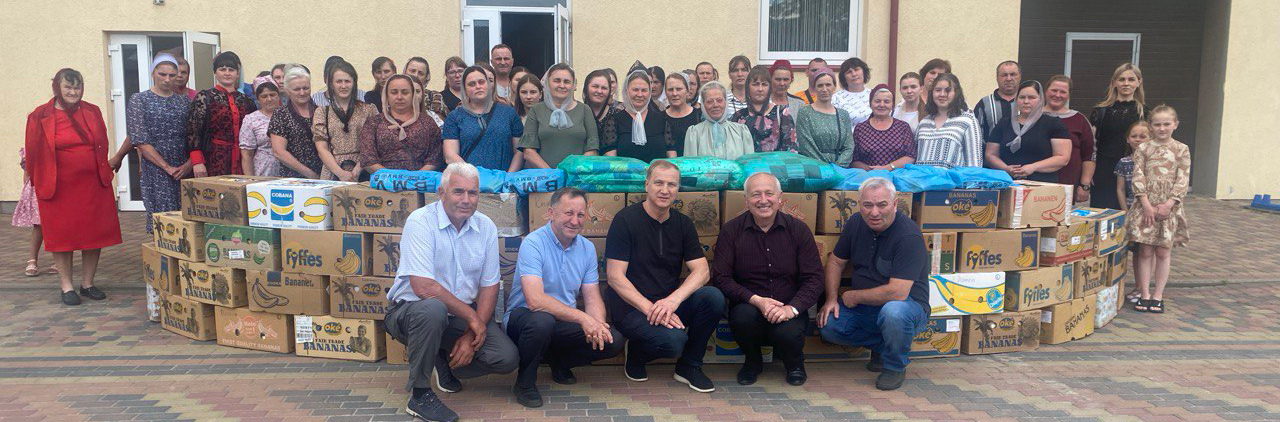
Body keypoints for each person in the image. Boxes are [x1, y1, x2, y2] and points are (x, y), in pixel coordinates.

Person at [383, 162, 519, 422]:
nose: (466, 200)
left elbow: (490, 285)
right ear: (441, 193)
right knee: (433, 309)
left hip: (456, 317)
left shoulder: (486, 226)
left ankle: (443, 358)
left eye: (473, 193)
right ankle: (420, 395)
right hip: (409, 312)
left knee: (506, 358)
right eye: (458, 192)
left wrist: (470, 333)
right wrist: (472, 317)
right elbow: (423, 287)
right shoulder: (421, 221)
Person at [605, 160, 725, 393]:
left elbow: (702, 271)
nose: (665, 190)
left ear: (678, 189)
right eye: (659, 183)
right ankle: (637, 353)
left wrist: (673, 301)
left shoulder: (683, 223)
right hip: (632, 308)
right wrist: (651, 310)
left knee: (713, 297)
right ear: (647, 184)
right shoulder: (625, 220)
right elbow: (614, 277)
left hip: (668, 304)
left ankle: (689, 366)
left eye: (671, 184)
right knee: (673, 342)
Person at [504, 187, 624, 408]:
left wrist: (596, 324)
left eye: (580, 215)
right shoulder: (533, 243)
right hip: (525, 319)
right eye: (568, 213)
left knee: (612, 340)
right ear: (551, 213)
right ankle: (525, 382)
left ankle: (560, 362)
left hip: (562, 321)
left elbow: (592, 297)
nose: (575, 221)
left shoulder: (587, 248)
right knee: (543, 320)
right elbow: (535, 300)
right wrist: (583, 319)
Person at [817, 177, 929, 391]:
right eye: (868, 205)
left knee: (894, 312)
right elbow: (835, 262)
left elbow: (898, 292)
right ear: (859, 204)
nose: (874, 212)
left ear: (895, 204)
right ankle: (885, 345)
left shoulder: (908, 236)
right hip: (867, 309)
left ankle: (895, 366)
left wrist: (854, 296)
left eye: (882, 205)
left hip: (908, 306)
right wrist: (831, 299)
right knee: (828, 324)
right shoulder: (856, 223)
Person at [712, 172, 822, 386]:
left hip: (788, 304)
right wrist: (756, 300)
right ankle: (753, 362)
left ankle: (795, 364)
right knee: (742, 317)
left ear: (780, 197)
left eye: (769, 194)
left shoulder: (799, 230)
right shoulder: (731, 231)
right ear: (746, 201)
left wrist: (791, 309)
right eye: (755, 195)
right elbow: (721, 277)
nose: (763, 200)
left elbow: (814, 278)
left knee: (788, 332)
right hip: (749, 304)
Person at [25, 68, 123, 305]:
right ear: (57, 88)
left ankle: (88, 283)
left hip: (92, 183)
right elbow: (33, 152)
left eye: (77, 87)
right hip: (58, 186)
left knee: (94, 233)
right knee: (62, 236)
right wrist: (34, 182)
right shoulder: (39, 115)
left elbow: (102, 142)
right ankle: (66, 286)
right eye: (68, 87)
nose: (73, 92)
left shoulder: (92, 110)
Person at [1128, 106, 1190, 315]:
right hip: (1146, 205)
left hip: (1168, 206)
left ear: (1175, 124)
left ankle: (1158, 295)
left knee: (1163, 250)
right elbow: (1138, 175)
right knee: (1145, 250)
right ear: (1151, 126)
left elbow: (1183, 178)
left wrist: (1170, 203)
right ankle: (1144, 293)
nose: (1162, 128)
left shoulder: (1182, 149)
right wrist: (1145, 204)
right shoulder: (1144, 148)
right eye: (1157, 124)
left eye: (1166, 124)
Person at [129, 54, 191, 232]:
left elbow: (193, 136)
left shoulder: (184, 101)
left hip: (182, 167)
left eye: (172, 75)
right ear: (153, 74)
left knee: (186, 219)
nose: (167, 79)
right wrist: (166, 167)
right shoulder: (139, 100)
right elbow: (140, 139)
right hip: (156, 168)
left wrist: (187, 165)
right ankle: (164, 259)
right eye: (162, 74)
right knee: (164, 220)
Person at [187, 51, 257, 177]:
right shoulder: (205, 97)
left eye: (231, 69)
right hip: (214, 157)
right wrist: (197, 161)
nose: (227, 73)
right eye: (222, 69)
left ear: (237, 74)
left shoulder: (247, 101)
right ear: (215, 73)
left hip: (244, 159)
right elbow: (194, 131)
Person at [985, 81, 1072, 183]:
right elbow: (991, 154)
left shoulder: (1053, 124)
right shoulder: (1004, 123)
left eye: (1031, 97)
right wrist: (1006, 168)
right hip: (1008, 183)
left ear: (1040, 99)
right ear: (1016, 100)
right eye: (1022, 97)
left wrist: (1033, 167)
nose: (1026, 101)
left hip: (1042, 185)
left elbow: (1062, 158)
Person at [1090, 63, 1150, 210]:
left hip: (1134, 171)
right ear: (1114, 82)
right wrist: (1088, 173)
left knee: (1131, 218)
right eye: (1121, 79)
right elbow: (1090, 146)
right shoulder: (1100, 111)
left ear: (1138, 82)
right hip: (1104, 171)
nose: (1126, 83)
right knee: (1103, 218)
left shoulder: (1146, 113)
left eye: (1131, 79)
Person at [443, 66, 524, 172]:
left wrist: (508, 178)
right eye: (471, 84)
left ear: (489, 85)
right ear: (465, 89)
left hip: (503, 182)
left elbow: (519, 151)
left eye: (481, 82)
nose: (478, 86)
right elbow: (451, 155)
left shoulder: (509, 113)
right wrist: (472, 177)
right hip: (469, 183)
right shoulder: (454, 117)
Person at [518, 64, 599, 168]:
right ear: (548, 83)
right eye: (557, 80)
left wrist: (572, 171)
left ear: (574, 85)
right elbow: (528, 151)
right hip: (544, 179)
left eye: (567, 81)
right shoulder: (536, 110)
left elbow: (593, 150)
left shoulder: (584, 110)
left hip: (575, 178)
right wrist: (552, 174)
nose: (562, 85)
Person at [359, 75, 444, 173]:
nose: (399, 97)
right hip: (383, 183)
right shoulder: (374, 123)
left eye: (405, 92)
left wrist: (414, 178)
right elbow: (368, 159)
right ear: (386, 95)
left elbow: (435, 157)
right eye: (394, 92)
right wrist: (393, 177)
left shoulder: (427, 122)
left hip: (419, 183)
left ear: (412, 94)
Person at [313, 61, 377, 181]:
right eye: (339, 81)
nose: (343, 86)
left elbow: (373, 145)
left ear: (354, 83)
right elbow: (322, 148)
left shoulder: (368, 110)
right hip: (333, 171)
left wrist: (357, 171)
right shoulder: (322, 112)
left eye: (347, 81)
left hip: (364, 169)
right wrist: (340, 173)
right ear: (331, 84)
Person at [1044, 75, 1097, 201]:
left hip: (1068, 184)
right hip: (1037, 184)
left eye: (1063, 92)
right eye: (1054, 90)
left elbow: (1089, 154)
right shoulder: (1032, 117)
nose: (1058, 95)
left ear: (1068, 95)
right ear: (1046, 91)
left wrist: (1085, 185)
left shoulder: (1079, 120)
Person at [914, 73, 982, 169]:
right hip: (921, 183)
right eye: (938, 90)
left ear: (956, 93)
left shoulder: (968, 121)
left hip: (954, 184)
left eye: (948, 90)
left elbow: (974, 164)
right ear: (932, 93)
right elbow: (915, 159)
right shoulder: (924, 123)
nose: (942, 94)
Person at [605, 69, 672, 162]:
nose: (640, 94)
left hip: (658, 175)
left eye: (644, 90)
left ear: (649, 92)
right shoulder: (615, 120)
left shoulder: (661, 118)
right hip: (625, 175)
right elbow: (611, 158)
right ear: (627, 91)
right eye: (635, 90)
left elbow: (671, 154)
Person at [269, 65, 323, 179]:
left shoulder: (320, 111)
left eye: (306, 88)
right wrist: (309, 174)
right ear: (288, 90)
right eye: (297, 89)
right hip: (293, 178)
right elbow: (279, 152)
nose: (302, 92)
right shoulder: (281, 114)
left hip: (323, 176)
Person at [732, 66, 798, 153]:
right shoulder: (738, 116)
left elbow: (791, 150)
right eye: (755, 84)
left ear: (770, 87)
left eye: (764, 84)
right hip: (745, 165)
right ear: (748, 87)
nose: (760, 89)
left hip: (774, 165)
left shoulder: (782, 114)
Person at [795, 68, 853, 165]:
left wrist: (838, 167)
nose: (824, 89)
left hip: (840, 169)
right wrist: (825, 167)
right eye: (820, 85)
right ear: (814, 88)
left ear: (834, 87)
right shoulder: (805, 113)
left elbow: (849, 146)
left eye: (828, 85)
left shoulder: (843, 115)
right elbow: (806, 146)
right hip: (815, 168)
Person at [852, 85, 916, 170]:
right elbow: (854, 160)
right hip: (868, 178)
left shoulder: (903, 127)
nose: (882, 105)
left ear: (892, 105)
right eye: (877, 101)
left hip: (897, 178)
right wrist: (871, 170)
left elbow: (910, 156)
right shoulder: (860, 128)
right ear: (870, 103)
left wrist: (888, 167)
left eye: (886, 101)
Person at [13, 148, 55, 276]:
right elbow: (27, 173)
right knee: (38, 226)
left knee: (56, 226)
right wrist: (27, 192)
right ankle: (32, 260)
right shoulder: (31, 147)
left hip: (56, 187)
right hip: (37, 188)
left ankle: (58, 261)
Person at [683, 81, 751, 160]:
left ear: (726, 102)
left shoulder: (741, 131)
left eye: (719, 100)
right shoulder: (694, 133)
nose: (715, 105)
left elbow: (749, 166)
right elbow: (691, 167)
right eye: (709, 101)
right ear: (703, 105)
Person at [239, 77, 282, 176]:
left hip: (289, 171)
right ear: (258, 99)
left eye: (272, 95)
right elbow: (247, 155)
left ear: (278, 96)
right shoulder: (251, 119)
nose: (269, 99)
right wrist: (250, 180)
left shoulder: (288, 115)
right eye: (264, 96)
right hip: (263, 171)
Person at [973, 61, 1022, 141]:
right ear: (997, 78)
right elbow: (976, 134)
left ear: (1020, 77)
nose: (1009, 79)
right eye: (1004, 75)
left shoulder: (1028, 103)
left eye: (1013, 74)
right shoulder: (984, 104)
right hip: (990, 153)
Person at [663, 73, 702, 157]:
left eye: (679, 89)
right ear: (665, 92)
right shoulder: (659, 118)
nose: (674, 93)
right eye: (670, 89)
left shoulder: (699, 116)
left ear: (687, 91)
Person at [1114, 121, 1150, 212]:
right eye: (1133, 136)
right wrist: (1125, 212)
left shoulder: (1157, 162)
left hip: (1154, 209)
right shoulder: (1124, 162)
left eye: (1142, 137)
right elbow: (1120, 189)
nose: (1137, 139)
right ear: (1127, 139)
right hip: (1132, 209)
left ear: (1151, 139)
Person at [583, 69, 620, 154]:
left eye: (604, 88)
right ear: (586, 88)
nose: (599, 91)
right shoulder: (579, 112)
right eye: (595, 86)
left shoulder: (617, 114)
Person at [832, 57, 873, 127]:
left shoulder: (874, 94)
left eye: (856, 70)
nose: (854, 74)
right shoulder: (836, 98)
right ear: (844, 78)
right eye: (849, 72)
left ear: (864, 72)